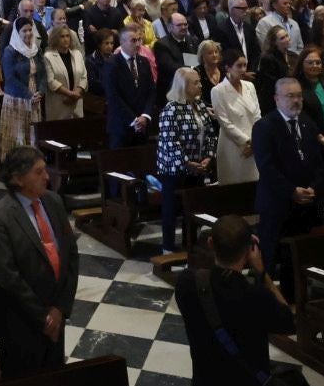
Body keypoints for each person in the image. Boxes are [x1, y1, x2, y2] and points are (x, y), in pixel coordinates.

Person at [173, 216, 294, 386]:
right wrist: (262, 273)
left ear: (210, 243)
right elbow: (288, 321)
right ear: (250, 250)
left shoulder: (186, 285)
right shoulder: (254, 296)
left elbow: (203, 271)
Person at [0, 147, 78, 379]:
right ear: (17, 178)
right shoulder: (0, 218)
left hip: (56, 313)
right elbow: (8, 277)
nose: (47, 177)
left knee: (54, 382)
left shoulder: (53, 201)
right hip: (22, 323)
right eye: (39, 172)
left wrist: (59, 309)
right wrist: (43, 317)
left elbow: (70, 256)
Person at [251, 78, 324, 292]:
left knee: (297, 260)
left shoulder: (307, 123)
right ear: (276, 99)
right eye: (290, 96)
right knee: (271, 257)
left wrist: (315, 187)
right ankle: (266, 303)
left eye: (299, 95)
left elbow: (319, 163)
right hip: (277, 205)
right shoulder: (265, 126)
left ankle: (295, 303)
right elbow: (267, 167)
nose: (296, 101)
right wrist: (291, 191)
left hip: (305, 206)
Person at [155, 67, 219, 253]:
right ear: (183, 86)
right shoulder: (171, 109)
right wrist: (186, 162)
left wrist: (208, 156)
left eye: (199, 81)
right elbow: (170, 141)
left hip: (198, 165)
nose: (200, 85)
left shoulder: (199, 105)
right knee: (171, 207)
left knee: (193, 207)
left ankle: (189, 243)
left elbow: (209, 133)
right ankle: (168, 246)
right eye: (196, 83)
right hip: (174, 168)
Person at [102, 24, 157, 149]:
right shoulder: (111, 64)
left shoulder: (144, 61)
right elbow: (113, 96)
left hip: (143, 125)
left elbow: (151, 91)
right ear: (122, 42)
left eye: (139, 40)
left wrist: (145, 115)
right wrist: (134, 120)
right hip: (122, 126)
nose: (138, 44)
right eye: (133, 40)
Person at [211, 50, 262, 183]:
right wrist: (246, 142)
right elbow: (224, 122)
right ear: (228, 68)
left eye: (245, 65)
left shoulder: (250, 86)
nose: (243, 69)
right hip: (232, 146)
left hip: (254, 143)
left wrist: (255, 141)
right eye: (239, 66)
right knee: (233, 187)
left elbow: (257, 115)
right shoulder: (218, 91)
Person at [41, 26, 88, 121]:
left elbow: (84, 77)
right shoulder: (48, 56)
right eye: (62, 36)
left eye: (67, 36)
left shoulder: (77, 54)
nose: (65, 39)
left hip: (76, 103)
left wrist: (75, 95)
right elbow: (51, 81)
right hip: (59, 104)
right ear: (55, 38)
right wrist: (70, 94)